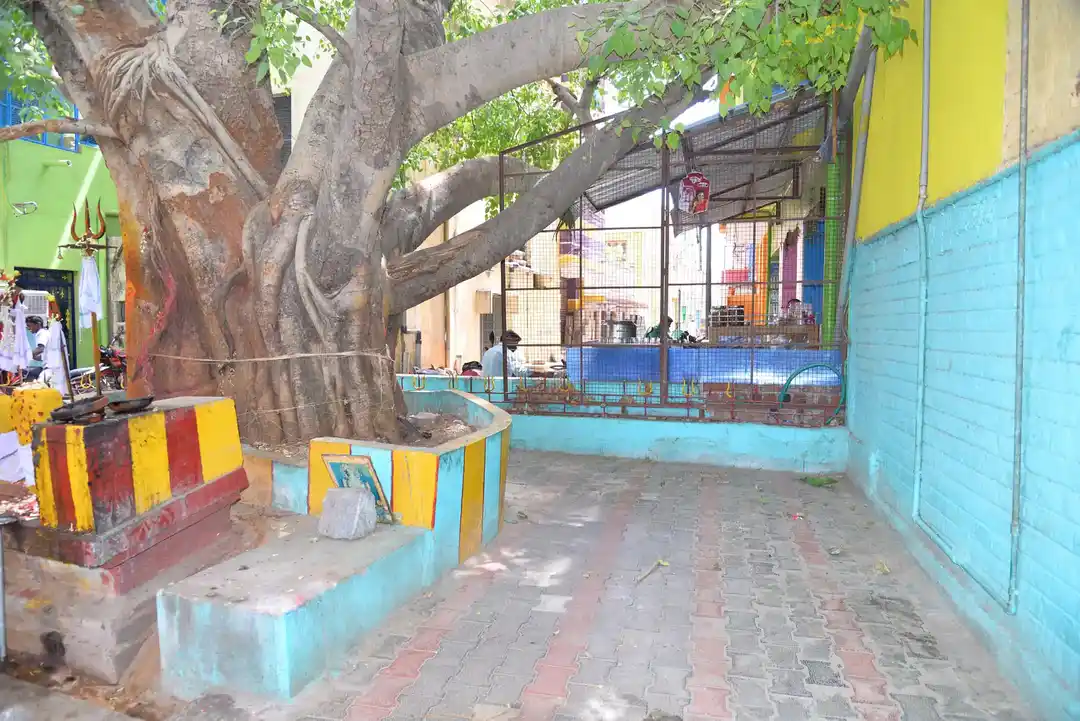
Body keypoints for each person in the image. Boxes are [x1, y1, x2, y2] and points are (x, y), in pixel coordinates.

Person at [24, 316, 49, 381]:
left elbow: (40, 348)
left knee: (39, 384)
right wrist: (34, 357)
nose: (28, 328)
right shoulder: (44, 333)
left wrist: (26, 355)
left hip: (49, 368)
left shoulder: (42, 333)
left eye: (29, 326)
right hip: (47, 366)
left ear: (38, 324)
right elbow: (42, 356)